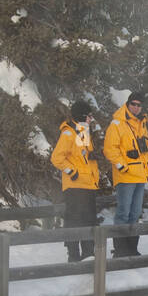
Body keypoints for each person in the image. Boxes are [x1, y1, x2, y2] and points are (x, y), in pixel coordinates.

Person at [103, 91, 148, 257]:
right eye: (133, 104)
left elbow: (144, 149)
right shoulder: (117, 124)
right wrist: (122, 166)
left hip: (140, 175)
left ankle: (132, 248)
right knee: (123, 212)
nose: (136, 107)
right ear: (128, 103)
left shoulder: (142, 124)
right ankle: (120, 249)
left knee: (135, 213)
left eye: (139, 105)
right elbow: (110, 149)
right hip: (126, 176)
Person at [50, 100, 100, 262]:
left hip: (88, 184)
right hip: (75, 186)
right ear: (82, 116)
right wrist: (72, 171)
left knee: (89, 220)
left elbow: (81, 156)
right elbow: (56, 158)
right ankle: (73, 255)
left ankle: (88, 254)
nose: (91, 119)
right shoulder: (68, 133)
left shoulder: (83, 131)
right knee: (74, 221)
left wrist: (91, 157)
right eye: (89, 116)